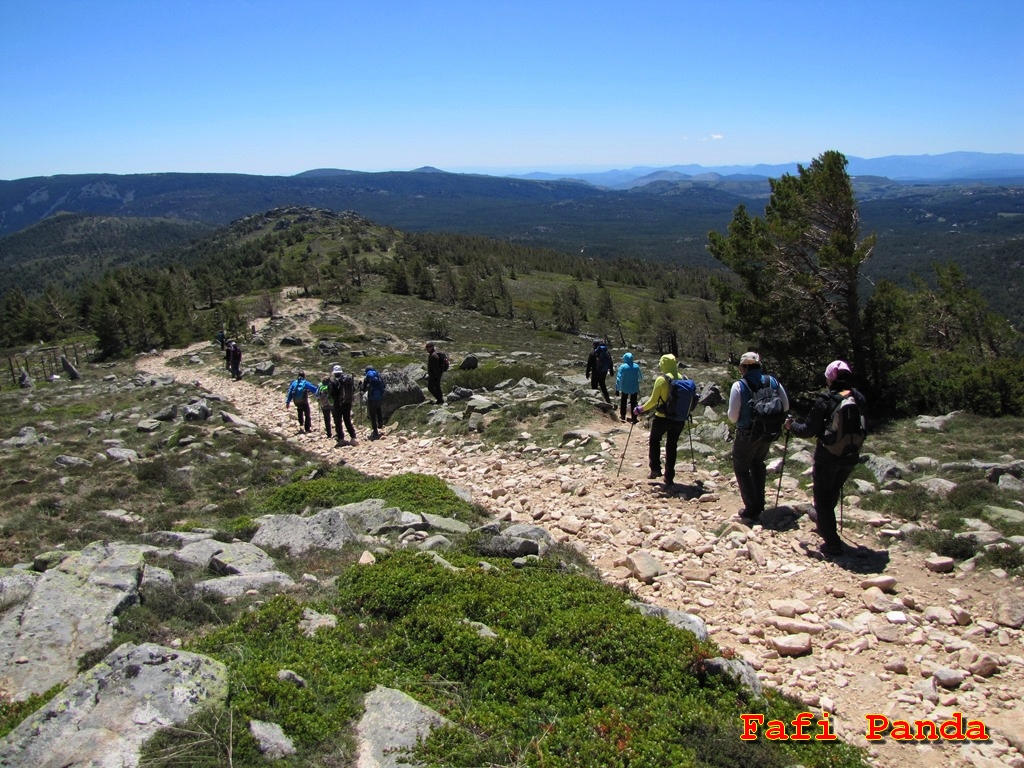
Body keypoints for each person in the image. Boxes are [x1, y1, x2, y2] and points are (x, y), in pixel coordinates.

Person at [785, 360, 867, 556]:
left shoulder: (826, 400)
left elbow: (807, 430)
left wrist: (791, 426)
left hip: (828, 453)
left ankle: (832, 541)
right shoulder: (859, 397)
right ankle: (826, 525)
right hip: (851, 454)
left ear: (830, 378)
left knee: (822, 496)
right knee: (832, 491)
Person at [727, 351, 789, 523]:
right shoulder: (772, 381)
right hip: (768, 432)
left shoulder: (740, 385)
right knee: (757, 463)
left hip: (747, 433)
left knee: (741, 468)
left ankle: (752, 508)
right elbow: (785, 406)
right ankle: (760, 503)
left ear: (744, 367)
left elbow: (732, 416)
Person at [633, 354, 689, 490]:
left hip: (662, 417)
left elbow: (653, 401)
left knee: (654, 440)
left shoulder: (661, 379)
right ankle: (669, 476)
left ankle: (655, 469)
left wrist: (640, 409)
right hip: (679, 419)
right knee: (672, 445)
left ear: (663, 364)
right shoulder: (682, 378)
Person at [327, 364, 357, 445]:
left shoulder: (334, 382)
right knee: (347, 420)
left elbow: (331, 393)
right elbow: (353, 389)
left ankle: (341, 438)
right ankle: (353, 436)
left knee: (338, 421)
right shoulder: (348, 380)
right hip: (348, 402)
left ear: (334, 373)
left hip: (338, 404)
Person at [615, 352, 643, 423]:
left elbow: (619, 379)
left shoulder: (622, 367)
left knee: (623, 401)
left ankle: (623, 415)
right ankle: (634, 417)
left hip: (625, 387)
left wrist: (617, 389)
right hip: (634, 387)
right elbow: (640, 377)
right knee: (634, 402)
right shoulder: (636, 366)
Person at [360, 365, 386, 440]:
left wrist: (361, 386)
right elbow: (383, 386)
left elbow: (364, 389)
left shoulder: (367, 378)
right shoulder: (378, 376)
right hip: (380, 397)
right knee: (378, 409)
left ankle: (375, 430)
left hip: (372, 398)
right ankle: (380, 423)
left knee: (372, 414)